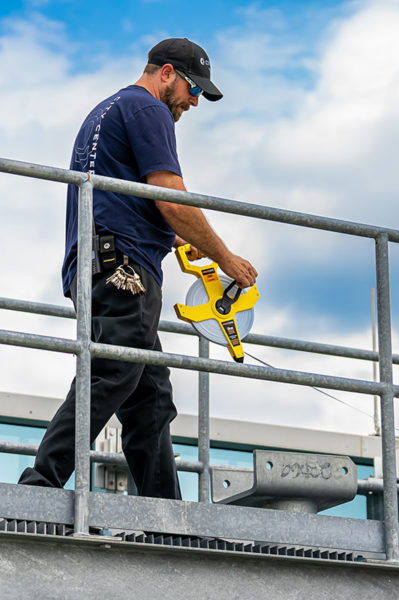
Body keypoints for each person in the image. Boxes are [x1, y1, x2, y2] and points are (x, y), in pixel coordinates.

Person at [18, 38, 257, 500]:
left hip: (98, 263)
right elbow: (169, 195)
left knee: (149, 400)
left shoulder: (106, 111)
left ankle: (166, 516)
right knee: (112, 374)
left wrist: (181, 239)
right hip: (124, 268)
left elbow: (134, 203)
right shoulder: (148, 110)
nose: (193, 102)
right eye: (193, 88)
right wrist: (226, 259)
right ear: (166, 73)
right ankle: (38, 487)